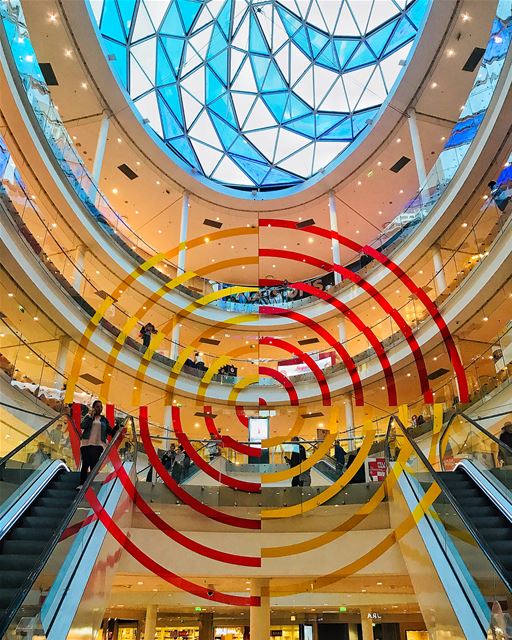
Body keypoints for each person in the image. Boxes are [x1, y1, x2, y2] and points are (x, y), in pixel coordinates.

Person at [77, 400, 117, 489]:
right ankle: (82, 484)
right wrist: (90, 416)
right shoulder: (89, 417)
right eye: (98, 406)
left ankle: (89, 484)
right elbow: (82, 425)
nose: (100, 408)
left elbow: (110, 432)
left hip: (98, 445)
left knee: (93, 464)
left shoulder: (104, 420)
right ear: (94, 407)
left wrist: (117, 427)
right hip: (86, 443)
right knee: (85, 463)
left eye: (101, 407)